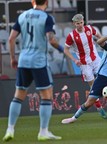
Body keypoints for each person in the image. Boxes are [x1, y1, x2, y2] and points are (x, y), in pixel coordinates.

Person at [3, 0, 62, 141]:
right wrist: (61, 49)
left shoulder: (22, 16)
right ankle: (43, 132)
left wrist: (13, 58)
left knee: (18, 95)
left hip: (23, 60)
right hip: (38, 61)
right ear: (46, 2)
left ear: (32, 1)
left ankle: (10, 130)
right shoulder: (47, 18)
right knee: (47, 95)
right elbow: (51, 39)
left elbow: (11, 39)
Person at [63, 14, 107, 119]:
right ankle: (99, 108)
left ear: (83, 21)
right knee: (93, 86)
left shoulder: (89, 29)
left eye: (81, 22)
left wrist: (105, 46)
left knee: (105, 79)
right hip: (84, 64)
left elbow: (99, 37)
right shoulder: (71, 36)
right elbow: (66, 49)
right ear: (74, 24)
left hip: (96, 59)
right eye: (77, 23)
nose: (80, 25)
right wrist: (74, 60)